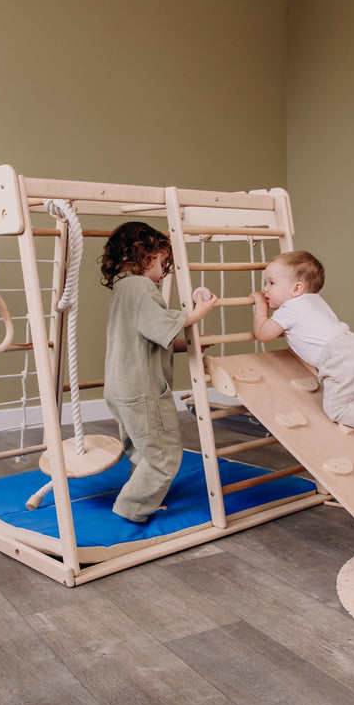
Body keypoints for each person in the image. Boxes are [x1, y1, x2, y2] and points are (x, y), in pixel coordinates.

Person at [100, 221, 218, 523]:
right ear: (143, 254)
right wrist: (199, 312)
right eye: (162, 263)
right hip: (142, 390)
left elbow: (143, 336)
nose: (163, 272)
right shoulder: (142, 287)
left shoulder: (123, 286)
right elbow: (156, 326)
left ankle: (143, 497)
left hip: (119, 386)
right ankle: (133, 506)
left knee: (142, 449)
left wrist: (182, 345)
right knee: (163, 456)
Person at [250, 250, 354, 449]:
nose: (265, 289)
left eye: (271, 283)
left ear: (297, 288)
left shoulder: (289, 309)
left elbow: (264, 334)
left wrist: (260, 306)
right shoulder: (316, 302)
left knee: (337, 408)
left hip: (342, 358)